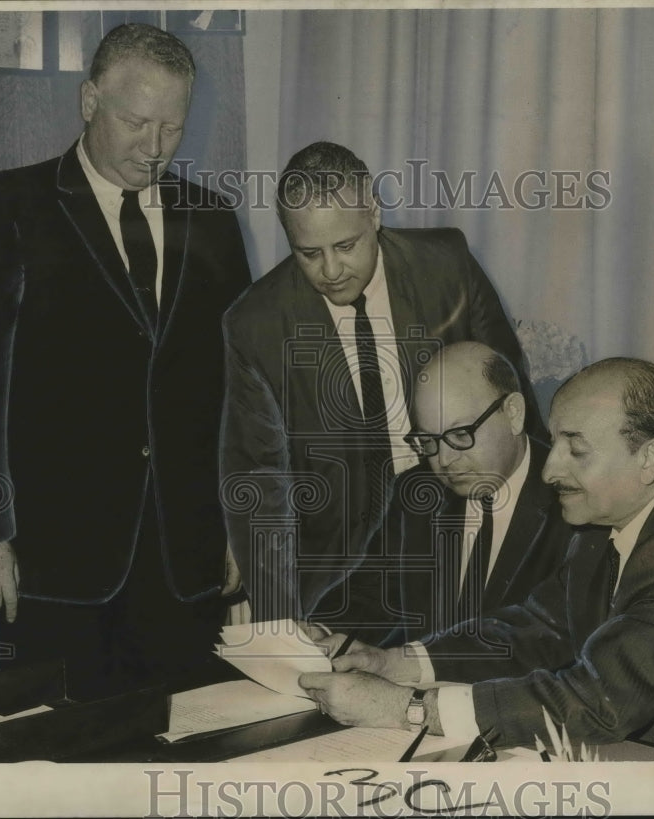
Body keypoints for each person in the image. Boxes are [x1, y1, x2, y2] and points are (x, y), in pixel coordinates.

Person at [0, 24, 251, 698]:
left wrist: (243, 523)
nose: (156, 147)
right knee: (60, 754)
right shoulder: (10, 204)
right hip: (54, 562)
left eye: (173, 126)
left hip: (184, 563)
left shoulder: (214, 219)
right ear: (88, 101)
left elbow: (241, 387)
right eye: (137, 121)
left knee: (181, 755)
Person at [301, 358, 654, 761]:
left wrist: (406, 708)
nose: (549, 468)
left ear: (648, 458)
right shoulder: (608, 525)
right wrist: (395, 663)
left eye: (575, 449)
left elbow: (596, 700)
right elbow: (536, 628)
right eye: (555, 442)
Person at [221, 141, 544, 625]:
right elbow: (261, 482)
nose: (330, 271)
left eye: (345, 246)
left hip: (463, 531)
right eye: (309, 253)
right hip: (337, 572)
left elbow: (516, 407)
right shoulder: (254, 324)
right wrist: (280, 630)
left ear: (373, 212)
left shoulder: (446, 266)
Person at [338, 342, 571, 643]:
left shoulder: (573, 502)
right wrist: (326, 633)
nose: (444, 461)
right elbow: (371, 594)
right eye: (429, 441)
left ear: (513, 412)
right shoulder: (417, 491)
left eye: (461, 434)